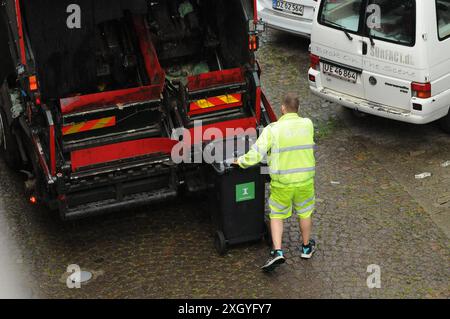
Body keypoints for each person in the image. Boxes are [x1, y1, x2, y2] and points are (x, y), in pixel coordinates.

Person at [235, 93, 316, 272]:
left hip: (282, 183)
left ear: (282, 108)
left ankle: (278, 251)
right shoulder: (308, 124)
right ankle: (306, 248)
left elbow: (257, 153)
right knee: (305, 212)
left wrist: (240, 161)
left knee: (277, 215)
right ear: (298, 109)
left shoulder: (272, 129)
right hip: (305, 181)